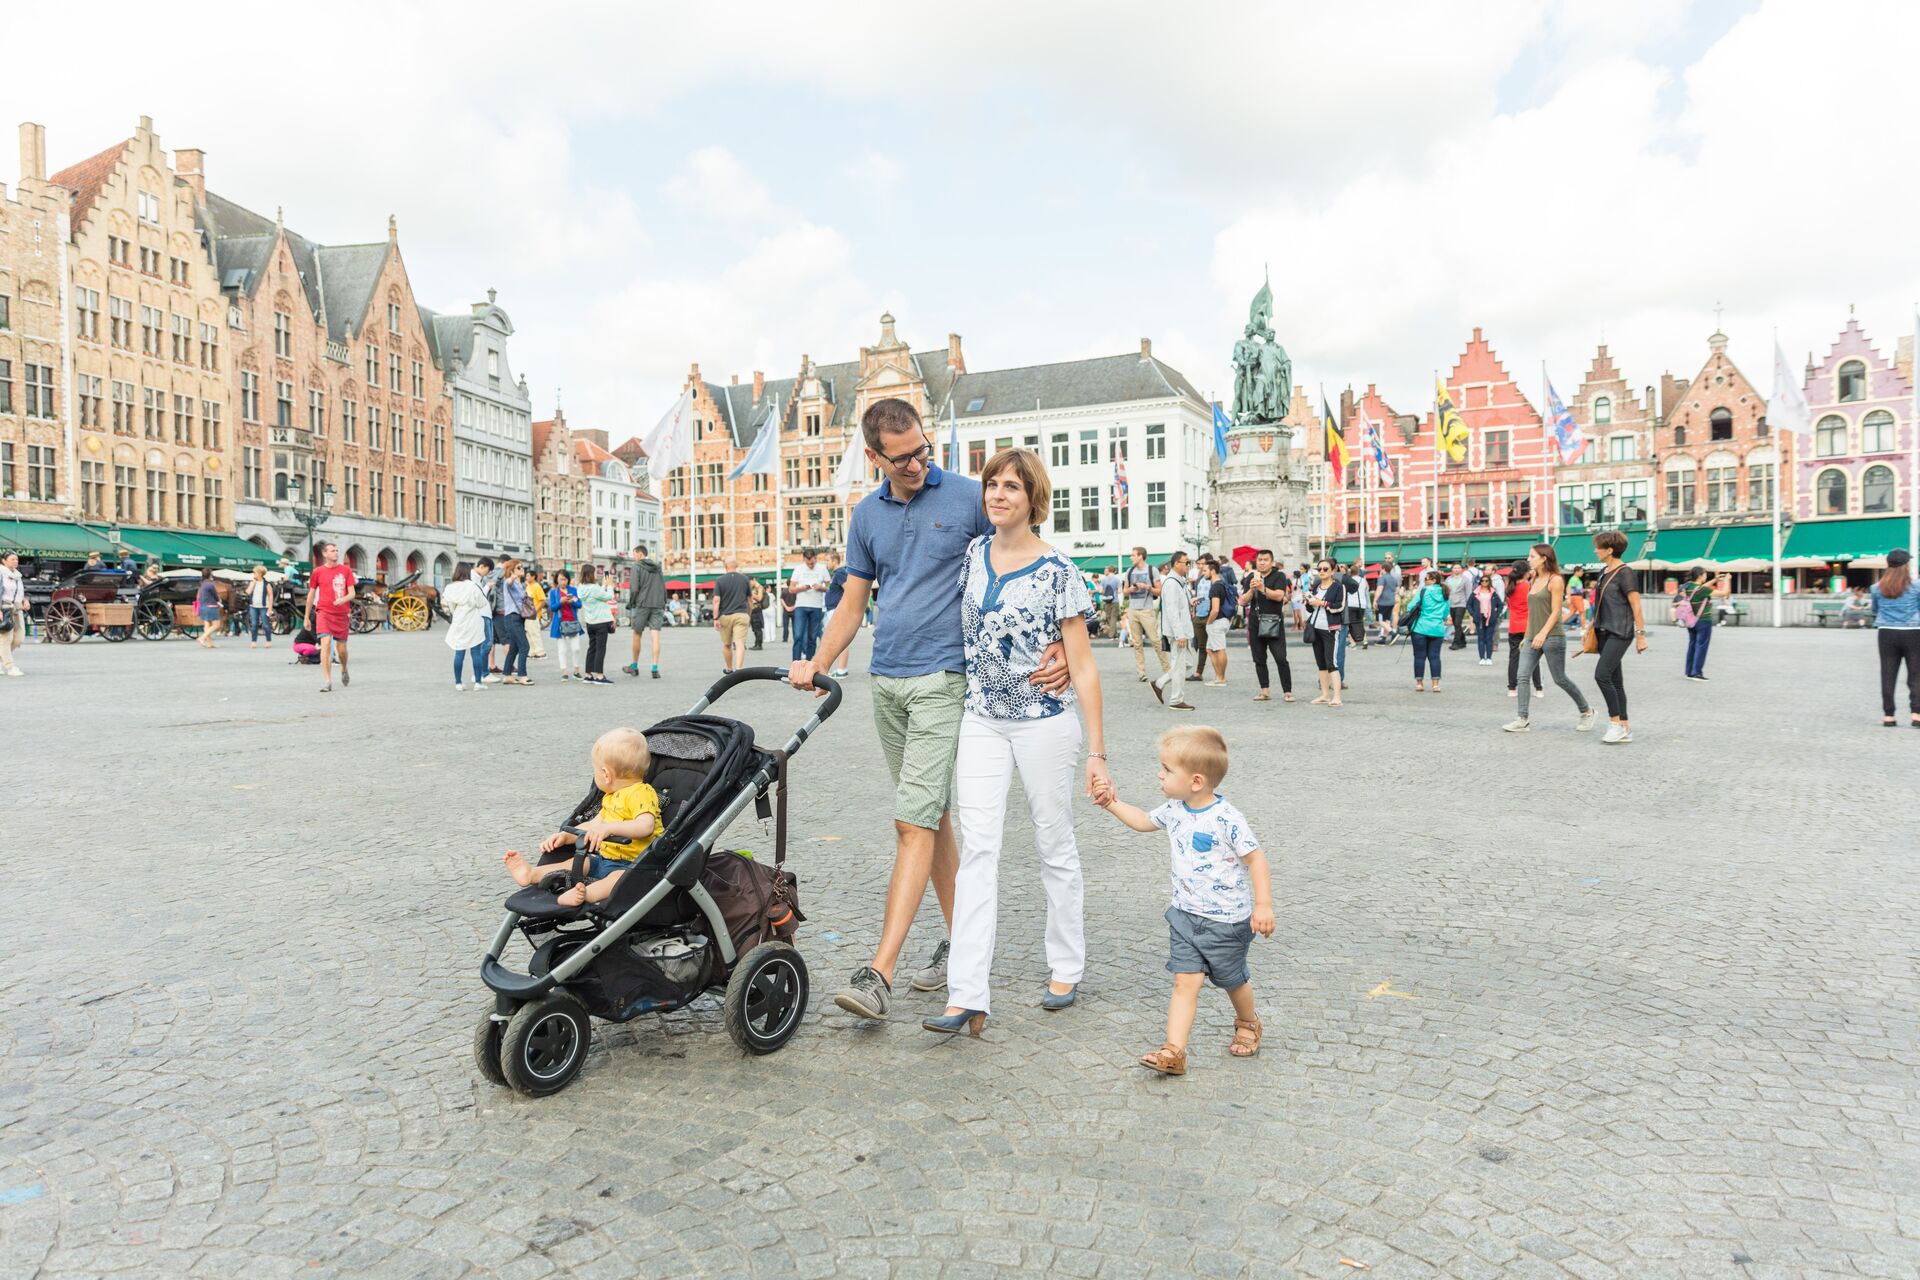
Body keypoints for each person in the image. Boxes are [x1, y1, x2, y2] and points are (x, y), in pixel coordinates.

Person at [787, 397, 1068, 1022]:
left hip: (945, 679)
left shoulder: (970, 496)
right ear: (873, 457)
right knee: (933, 817)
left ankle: (878, 972)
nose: (917, 463)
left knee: (911, 823)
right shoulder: (866, 514)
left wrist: (1064, 639)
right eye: (902, 457)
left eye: (922, 449)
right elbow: (853, 606)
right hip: (887, 681)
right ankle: (961, 944)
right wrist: (820, 659)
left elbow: (1031, 554)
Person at [928, 448, 1108, 1035]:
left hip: (1044, 720)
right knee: (979, 849)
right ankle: (966, 992)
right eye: (992, 485)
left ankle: (1066, 964)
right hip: (981, 718)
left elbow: (1082, 667)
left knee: (1053, 840)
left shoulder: (1059, 572)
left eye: (1011, 486)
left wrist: (1098, 753)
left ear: (1034, 499)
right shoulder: (973, 555)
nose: (997, 494)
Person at [1092, 725, 1273, 1076]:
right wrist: (1112, 803)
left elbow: (1256, 859)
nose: (1159, 774)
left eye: (1167, 769)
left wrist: (1263, 905)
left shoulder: (1227, 819)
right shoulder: (1175, 809)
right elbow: (1144, 821)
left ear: (1196, 781)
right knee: (1184, 981)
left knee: (1233, 980)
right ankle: (1174, 1051)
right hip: (1185, 917)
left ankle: (1248, 1022)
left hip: (1227, 922)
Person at [504, 728, 663, 907]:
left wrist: (609, 828)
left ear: (606, 774)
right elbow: (593, 825)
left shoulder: (641, 793)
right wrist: (567, 837)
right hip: (605, 859)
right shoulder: (611, 797)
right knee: (577, 862)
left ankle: (584, 894)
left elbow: (645, 826)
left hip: (634, 866)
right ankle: (532, 874)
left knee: (615, 881)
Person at [1502, 544, 1595, 733]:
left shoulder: (1556, 580)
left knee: (1560, 679)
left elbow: (1555, 612)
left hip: (1552, 636)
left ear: (1544, 558)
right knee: (1522, 676)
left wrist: (1542, 633)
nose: (1529, 559)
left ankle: (1586, 711)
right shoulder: (1533, 578)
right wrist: (1528, 635)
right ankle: (1522, 719)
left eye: (1532, 556)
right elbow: (1533, 611)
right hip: (1532, 636)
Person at [1588, 530, 1646, 744]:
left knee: (1601, 675)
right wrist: (1592, 624)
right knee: (1616, 681)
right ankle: (1625, 727)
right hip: (1603, 631)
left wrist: (1641, 635)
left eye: (1598, 547)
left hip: (1620, 632)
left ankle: (1614, 723)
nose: (1595, 550)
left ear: (1609, 550)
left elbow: (1636, 605)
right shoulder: (1603, 572)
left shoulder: (1626, 573)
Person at [1871, 549, 1920, 727]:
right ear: (1906, 565)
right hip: (1913, 632)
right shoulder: (1917, 586)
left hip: (1887, 632)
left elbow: (1875, 610)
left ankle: (1889, 715)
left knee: (1888, 673)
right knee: (1916, 674)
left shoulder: (1877, 588)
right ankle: (1916, 714)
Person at [1241, 550, 1292, 703]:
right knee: (1259, 658)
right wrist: (1252, 588)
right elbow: (1243, 601)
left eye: (1265, 560)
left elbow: (1278, 596)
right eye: (1259, 559)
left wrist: (1262, 588)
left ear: (1272, 562)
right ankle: (1265, 691)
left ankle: (1287, 691)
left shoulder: (1279, 576)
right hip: (1255, 622)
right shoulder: (1251, 576)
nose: (1262, 562)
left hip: (1273, 621)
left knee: (1281, 658)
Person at [304, 542, 355, 691]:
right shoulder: (317, 572)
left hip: (341, 614)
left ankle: (344, 668)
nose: (336, 553)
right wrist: (307, 616)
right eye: (333, 551)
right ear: (325, 554)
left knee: (342, 650)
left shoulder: (346, 570)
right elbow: (311, 594)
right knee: (325, 643)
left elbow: (352, 593)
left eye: (337, 550)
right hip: (323, 612)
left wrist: (342, 600)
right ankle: (327, 681)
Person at [1151, 551, 1196, 710]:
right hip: (1178, 632)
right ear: (1177, 564)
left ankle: (1160, 683)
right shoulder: (1171, 583)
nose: (1188, 566)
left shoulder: (1178, 582)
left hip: (1182, 630)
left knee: (1186, 663)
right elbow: (1171, 610)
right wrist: (1179, 634)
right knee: (1179, 665)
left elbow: (1179, 606)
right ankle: (1176, 700)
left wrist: (1191, 602)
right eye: (1186, 563)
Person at [1123, 546, 1169, 684]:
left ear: (1140, 556)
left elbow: (1159, 591)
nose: (1131, 557)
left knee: (1155, 640)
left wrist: (1147, 587)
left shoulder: (1152, 570)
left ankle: (1168, 670)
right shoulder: (1129, 571)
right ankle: (1141, 672)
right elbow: (1124, 591)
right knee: (1137, 643)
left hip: (1147, 610)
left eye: (1133, 555)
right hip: (1133, 610)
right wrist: (1130, 589)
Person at [443, 563, 492, 691]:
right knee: (476, 652)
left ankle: (458, 683)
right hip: (473, 620)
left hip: (459, 620)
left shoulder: (450, 587)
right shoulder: (473, 586)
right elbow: (482, 603)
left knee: (459, 652)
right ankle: (478, 682)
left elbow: (450, 605)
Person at [1304, 559, 1346, 706]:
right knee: (1321, 664)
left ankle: (1337, 697)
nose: (1321, 571)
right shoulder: (1315, 587)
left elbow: (1340, 606)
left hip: (1330, 629)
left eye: (1325, 569)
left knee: (1332, 663)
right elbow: (1311, 609)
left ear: (1333, 571)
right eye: (1319, 569)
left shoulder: (1338, 587)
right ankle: (1325, 694)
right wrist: (1308, 602)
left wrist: (1321, 603)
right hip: (1315, 628)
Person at [623, 544, 667, 679]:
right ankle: (654, 668)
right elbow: (663, 586)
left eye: (634, 554)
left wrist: (631, 603)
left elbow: (634, 588)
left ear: (640, 554)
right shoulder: (657, 567)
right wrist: (663, 602)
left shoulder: (637, 566)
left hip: (642, 604)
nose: (633, 557)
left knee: (637, 634)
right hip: (657, 604)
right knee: (655, 636)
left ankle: (634, 666)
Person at [1504, 559, 1542, 699]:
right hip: (1529, 626)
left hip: (1514, 626)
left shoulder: (1509, 588)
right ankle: (1538, 688)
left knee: (1514, 658)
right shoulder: (1529, 586)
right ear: (1526, 573)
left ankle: (1512, 688)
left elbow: (1509, 606)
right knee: (1534, 658)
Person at [1680, 566, 1727, 681]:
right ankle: (1697, 673)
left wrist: (1715, 579)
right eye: (1705, 574)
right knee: (1701, 646)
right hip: (1703, 620)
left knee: (1692, 645)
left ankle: (1689, 672)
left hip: (1691, 620)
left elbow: (1701, 587)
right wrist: (1728, 580)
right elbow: (1724, 593)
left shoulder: (1688, 586)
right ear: (1701, 575)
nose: (1706, 576)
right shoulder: (1702, 590)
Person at [709, 556, 752, 673]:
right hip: (741, 615)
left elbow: (716, 600)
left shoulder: (720, 580)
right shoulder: (745, 579)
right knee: (740, 643)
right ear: (736, 566)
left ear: (725, 566)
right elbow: (750, 600)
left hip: (725, 616)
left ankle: (729, 669)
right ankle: (739, 670)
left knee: (727, 644)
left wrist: (715, 618)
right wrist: (749, 614)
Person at [1408, 569, 1448, 693]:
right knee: (1435, 657)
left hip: (1421, 627)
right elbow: (1445, 613)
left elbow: (1410, 607)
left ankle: (1419, 683)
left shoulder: (1424, 591)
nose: (1424, 581)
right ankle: (1435, 684)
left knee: (1419, 656)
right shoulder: (1445, 593)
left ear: (1433, 580)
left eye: (1426, 579)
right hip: (1437, 629)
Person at [495, 559, 533, 686]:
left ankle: (507, 675)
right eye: (519, 567)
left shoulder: (520, 584)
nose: (522, 569)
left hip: (518, 618)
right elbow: (508, 583)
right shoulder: (509, 582)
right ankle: (522, 675)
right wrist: (512, 577)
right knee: (524, 646)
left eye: (522, 567)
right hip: (512, 618)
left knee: (514, 648)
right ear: (512, 570)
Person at [788, 548, 830, 662]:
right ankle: (795, 663)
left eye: (812, 563)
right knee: (798, 637)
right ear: (804, 559)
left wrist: (820, 587)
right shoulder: (798, 569)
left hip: (816, 606)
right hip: (801, 606)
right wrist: (802, 588)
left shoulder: (822, 569)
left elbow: (829, 588)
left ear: (816, 558)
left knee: (812, 637)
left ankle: (809, 662)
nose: (810, 565)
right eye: (808, 563)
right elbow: (791, 589)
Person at [577, 563, 616, 685]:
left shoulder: (581, 587)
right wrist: (610, 586)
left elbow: (599, 596)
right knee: (600, 649)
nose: (596, 574)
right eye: (594, 573)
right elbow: (608, 597)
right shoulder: (594, 588)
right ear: (590, 574)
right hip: (601, 622)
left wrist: (604, 585)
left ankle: (588, 675)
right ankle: (599, 676)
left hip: (590, 622)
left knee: (592, 648)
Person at [546, 568, 585, 680]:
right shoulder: (553, 592)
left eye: (565, 579)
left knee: (576, 648)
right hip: (560, 623)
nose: (563, 582)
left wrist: (573, 601)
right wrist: (561, 602)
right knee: (562, 649)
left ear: (568, 580)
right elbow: (552, 608)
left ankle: (576, 670)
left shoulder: (573, 590)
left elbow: (579, 605)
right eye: (560, 579)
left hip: (573, 622)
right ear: (557, 580)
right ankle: (564, 672)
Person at [819, 550, 853, 678]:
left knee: (840, 639)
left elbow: (849, 590)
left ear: (834, 560)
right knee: (836, 639)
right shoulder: (837, 573)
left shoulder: (840, 573)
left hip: (835, 610)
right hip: (832, 609)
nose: (826, 563)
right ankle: (840, 668)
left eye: (827, 560)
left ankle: (842, 669)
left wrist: (842, 607)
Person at [1199, 557, 1230, 686]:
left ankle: (1221, 678)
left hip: (1216, 621)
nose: (1202, 572)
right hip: (1222, 620)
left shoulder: (1215, 587)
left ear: (1212, 571)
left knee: (1220, 649)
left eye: (1205, 570)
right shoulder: (1221, 584)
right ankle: (1218, 677)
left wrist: (1209, 622)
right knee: (1210, 649)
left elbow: (1215, 609)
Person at [0, 550, 27, 676]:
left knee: (19, 638)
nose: (15, 561)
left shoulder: (17, 575)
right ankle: (10, 667)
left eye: (16, 559)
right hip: (5, 607)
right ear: (3, 561)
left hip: (18, 608)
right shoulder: (1, 574)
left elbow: (19, 591)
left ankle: (1, 659)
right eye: (12, 559)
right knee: (6, 638)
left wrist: (25, 600)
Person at [1469, 569, 1503, 665]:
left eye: (1486, 581)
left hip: (1490, 618)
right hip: (1479, 618)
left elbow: (1500, 605)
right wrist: (1473, 614)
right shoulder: (1475, 592)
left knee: (1489, 639)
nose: (1484, 582)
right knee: (1481, 638)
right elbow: (1469, 604)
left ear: (1489, 582)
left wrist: (1496, 615)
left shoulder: (1493, 593)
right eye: (1482, 581)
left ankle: (1488, 658)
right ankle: (1481, 658)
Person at [245, 566, 275, 649]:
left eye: (255, 572)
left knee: (265, 624)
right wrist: (254, 583)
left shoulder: (267, 584)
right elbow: (248, 592)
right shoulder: (252, 582)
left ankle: (268, 641)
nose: (253, 574)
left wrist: (270, 608)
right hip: (253, 606)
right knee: (254, 624)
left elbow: (271, 596)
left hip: (263, 607)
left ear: (260, 573)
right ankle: (253, 641)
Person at [1374, 556, 1401, 646]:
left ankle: (1393, 633)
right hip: (1391, 601)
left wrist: (1375, 600)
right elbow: (1397, 590)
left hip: (1383, 602)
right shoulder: (1393, 578)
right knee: (1387, 621)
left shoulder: (1382, 578)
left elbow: (1379, 589)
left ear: (1384, 569)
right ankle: (1383, 639)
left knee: (1381, 621)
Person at [1445, 562, 1471, 650]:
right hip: (1451, 603)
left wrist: (1469, 605)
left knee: (1457, 623)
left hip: (1461, 603)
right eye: (1455, 568)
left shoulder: (1465, 579)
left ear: (1461, 569)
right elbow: (1446, 591)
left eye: (1458, 568)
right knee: (1456, 624)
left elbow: (1468, 593)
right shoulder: (1448, 579)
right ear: (1452, 569)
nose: (1456, 569)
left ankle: (1456, 643)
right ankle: (1463, 641)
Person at [525, 567, 548, 660]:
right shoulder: (528, 586)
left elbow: (543, 600)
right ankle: (532, 652)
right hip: (527, 613)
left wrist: (535, 611)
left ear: (533, 577)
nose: (526, 577)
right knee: (529, 633)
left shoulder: (537, 586)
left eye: (528, 575)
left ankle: (540, 652)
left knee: (535, 633)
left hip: (533, 614)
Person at [1100, 564, 1124, 646]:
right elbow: (1120, 591)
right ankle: (1111, 635)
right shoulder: (1117, 579)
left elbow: (1101, 591)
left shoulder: (1103, 579)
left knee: (1109, 617)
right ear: (1115, 571)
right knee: (1114, 617)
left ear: (1108, 570)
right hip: (1114, 600)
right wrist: (1115, 592)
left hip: (1106, 601)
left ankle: (1114, 634)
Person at [748, 577, 767, 651]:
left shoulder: (759, 587)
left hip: (757, 609)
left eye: (750, 582)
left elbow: (759, 598)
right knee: (754, 628)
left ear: (754, 580)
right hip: (752, 609)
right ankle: (756, 643)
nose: (749, 584)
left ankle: (759, 644)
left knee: (757, 627)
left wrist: (751, 594)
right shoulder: (753, 588)